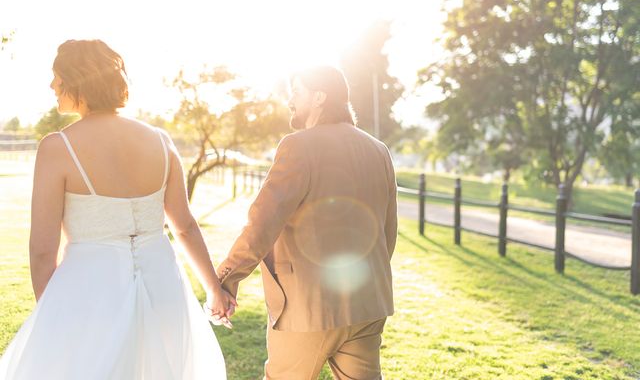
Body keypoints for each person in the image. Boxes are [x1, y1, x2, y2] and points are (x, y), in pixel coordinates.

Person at [0, 39, 233, 379]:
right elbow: (184, 227)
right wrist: (213, 289)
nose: (52, 86)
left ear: (77, 79)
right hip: (163, 281)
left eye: (56, 76)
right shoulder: (160, 141)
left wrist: (50, 316)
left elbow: (42, 250)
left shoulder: (57, 147)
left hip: (91, 287)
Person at [217, 65, 398, 379]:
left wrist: (227, 278)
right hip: (368, 304)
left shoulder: (297, 146)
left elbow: (263, 222)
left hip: (309, 309)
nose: (290, 100)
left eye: (296, 92)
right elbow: (388, 230)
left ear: (319, 97)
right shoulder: (379, 150)